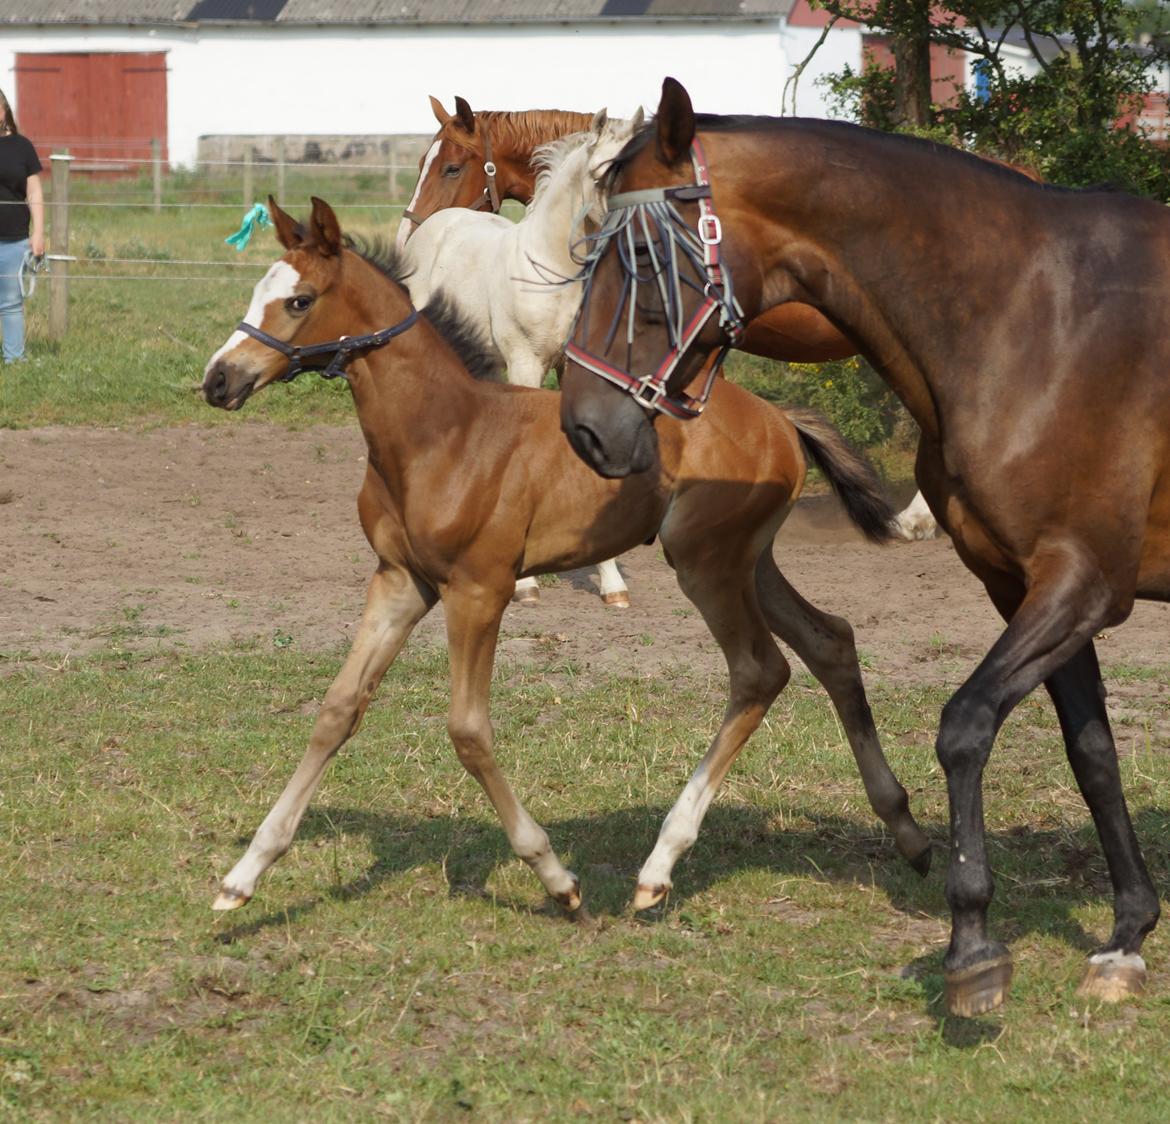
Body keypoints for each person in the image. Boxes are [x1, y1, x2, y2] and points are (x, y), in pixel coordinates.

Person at [0, 87, 44, 363]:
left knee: (11, 304)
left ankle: (14, 360)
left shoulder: (23, 146)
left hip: (15, 240)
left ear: (4, 112)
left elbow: (35, 192)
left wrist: (38, 233)